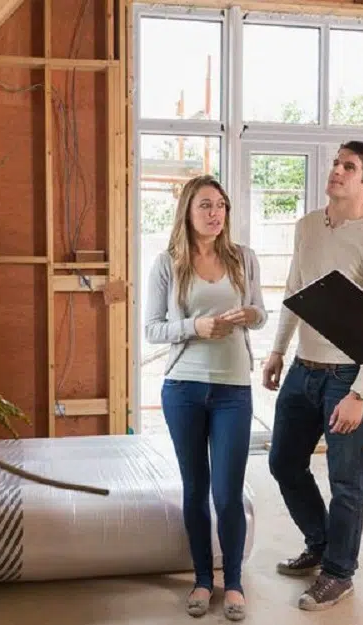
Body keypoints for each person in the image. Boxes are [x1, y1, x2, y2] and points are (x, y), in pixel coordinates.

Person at [263, 142, 363, 611]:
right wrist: (278, 350)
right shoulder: (307, 226)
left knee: (346, 480)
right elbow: (293, 290)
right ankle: (320, 543)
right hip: (303, 370)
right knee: (283, 462)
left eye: (349, 167)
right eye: (336, 163)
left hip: (347, 378)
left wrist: (362, 394)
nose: (337, 172)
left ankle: (339, 573)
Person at [144, 174, 268, 622]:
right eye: (206, 206)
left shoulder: (243, 259)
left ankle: (231, 582)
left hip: (233, 388)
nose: (215, 214)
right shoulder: (167, 263)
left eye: (221, 205)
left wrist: (252, 314)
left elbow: (259, 313)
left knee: (228, 492)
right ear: (188, 213)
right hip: (183, 389)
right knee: (195, 489)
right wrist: (194, 327)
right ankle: (201, 579)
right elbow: (152, 328)